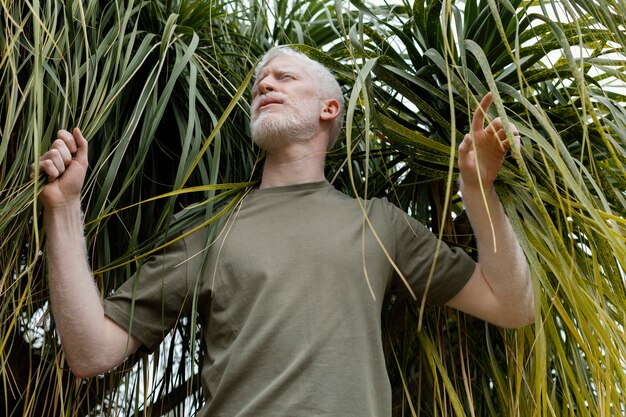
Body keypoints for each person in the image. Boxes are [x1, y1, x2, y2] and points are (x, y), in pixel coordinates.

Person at [33, 46, 534, 417]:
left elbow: (512, 306)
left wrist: (477, 188)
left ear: (328, 108)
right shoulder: (210, 232)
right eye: (260, 83)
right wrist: (63, 209)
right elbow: (90, 351)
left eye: (284, 77)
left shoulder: (380, 223)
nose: (265, 85)